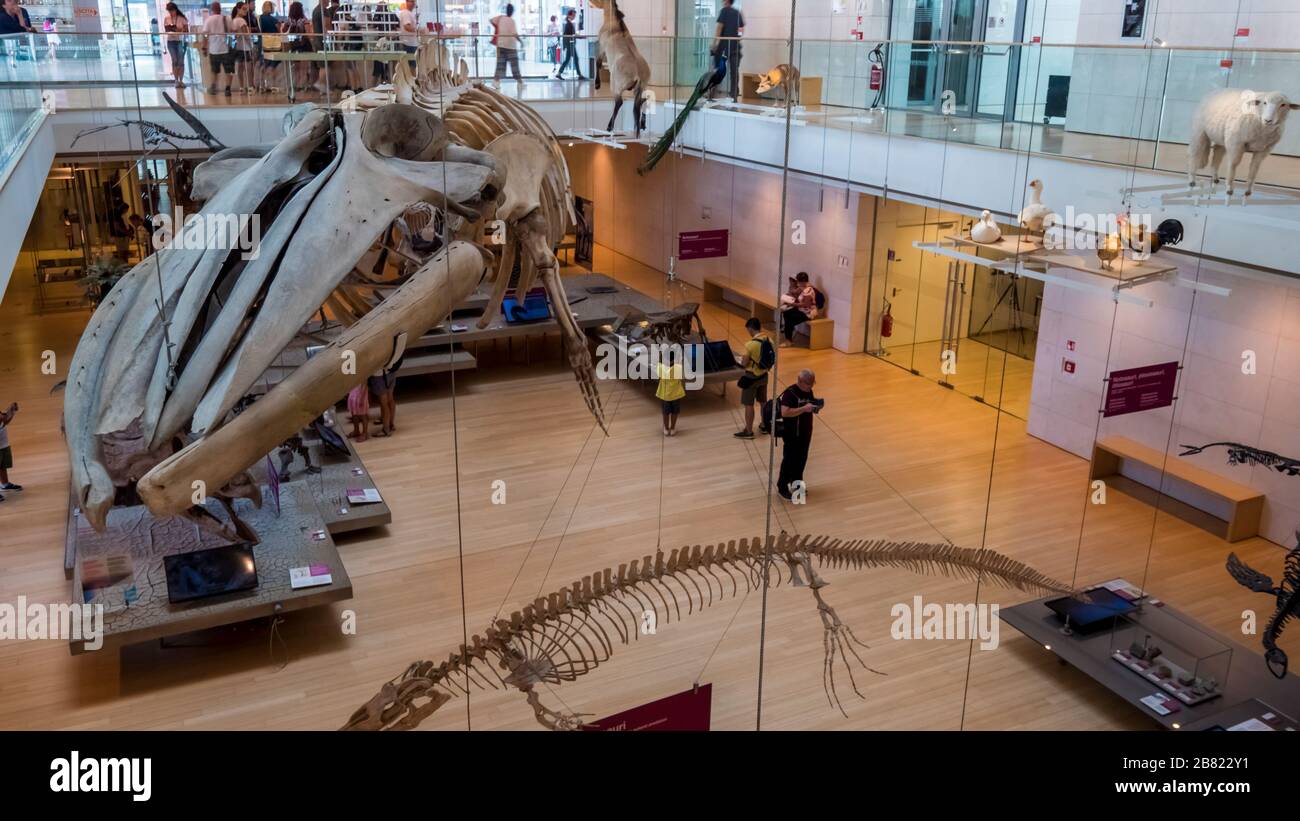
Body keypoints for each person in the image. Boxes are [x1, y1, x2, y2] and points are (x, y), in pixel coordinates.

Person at [776, 369, 818, 501]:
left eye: (812, 384)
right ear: (799, 380)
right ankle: (782, 487)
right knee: (789, 460)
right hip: (792, 434)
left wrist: (815, 406)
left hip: (806, 432)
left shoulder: (809, 391)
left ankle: (797, 485)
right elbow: (785, 412)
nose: (810, 387)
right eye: (807, 384)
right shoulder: (790, 393)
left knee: (801, 460)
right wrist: (804, 409)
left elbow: (809, 404)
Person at [734, 316, 774, 439]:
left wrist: (739, 360)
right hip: (764, 376)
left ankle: (749, 431)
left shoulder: (750, 345)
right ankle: (764, 425)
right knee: (763, 402)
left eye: (748, 330)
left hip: (751, 377)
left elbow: (744, 363)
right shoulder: (769, 340)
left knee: (748, 404)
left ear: (751, 329)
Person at [711, 0, 744, 100]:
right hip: (735, 46)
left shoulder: (724, 11)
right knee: (734, 72)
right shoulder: (738, 13)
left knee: (718, 70)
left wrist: (715, 43)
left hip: (723, 46)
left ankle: (711, 92)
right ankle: (733, 94)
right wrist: (737, 38)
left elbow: (719, 28)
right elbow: (741, 29)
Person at [201, 2, 235, 96]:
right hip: (225, 49)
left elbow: (205, 34)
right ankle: (227, 89)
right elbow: (232, 30)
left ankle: (213, 87)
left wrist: (204, 47)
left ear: (212, 9)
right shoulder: (226, 18)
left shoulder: (208, 20)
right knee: (229, 70)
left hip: (213, 50)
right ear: (220, 9)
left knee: (214, 70)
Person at [780, 270, 817, 347]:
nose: (797, 284)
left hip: (808, 313)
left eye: (798, 282)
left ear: (803, 281)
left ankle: (788, 340)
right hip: (801, 310)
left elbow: (805, 304)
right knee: (786, 312)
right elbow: (794, 292)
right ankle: (789, 333)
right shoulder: (802, 287)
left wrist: (793, 304)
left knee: (789, 321)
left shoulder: (808, 290)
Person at [655, 347, 685, 437]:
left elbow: (658, 369)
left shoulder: (661, 368)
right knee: (675, 412)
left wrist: (660, 357)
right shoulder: (678, 368)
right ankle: (673, 428)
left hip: (665, 395)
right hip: (676, 394)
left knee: (665, 412)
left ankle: (666, 428)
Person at [491, 3, 522, 86]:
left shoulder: (500, 18)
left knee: (500, 64)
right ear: (512, 12)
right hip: (511, 46)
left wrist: (497, 28)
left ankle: (496, 81)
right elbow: (515, 34)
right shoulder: (512, 21)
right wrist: (521, 41)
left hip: (501, 44)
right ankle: (520, 82)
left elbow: (492, 20)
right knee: (514, 65)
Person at [162, 3, 189, 87]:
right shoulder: (166, 18)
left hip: (180, 41)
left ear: (175, 10)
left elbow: (186, 31)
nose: (170, 13)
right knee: (174, 60)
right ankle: (176, 81)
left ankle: (181, 80)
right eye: (169, 11)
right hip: (170, 41)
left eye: (172, 11)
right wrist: (172, 29)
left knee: (181, 61)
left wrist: (179, 29)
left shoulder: (182, 18)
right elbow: (166, 30)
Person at [230, 1, 255, 94]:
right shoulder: (241, 20)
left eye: (246, 9)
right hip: (246, 47)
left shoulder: (234, 20)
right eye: (244, 9)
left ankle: (241, 87)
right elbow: (246, 35)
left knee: (240, 68)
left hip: (238, 47)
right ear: (238, 9)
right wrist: (251, 45)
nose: (245, 11)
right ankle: (250, 87)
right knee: (248, 68)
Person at [257, 1, 281, 93]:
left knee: (263, 63)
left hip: (262, 42)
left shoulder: (258, 18)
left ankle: (262, 85)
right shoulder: (274, 20)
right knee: (272, 64)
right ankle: (272, 85)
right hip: (273, 42)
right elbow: (280, 31)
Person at [0, 402, 21, 502]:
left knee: (3, 465)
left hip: (3, 444)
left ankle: (5, 484)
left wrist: (12, 411)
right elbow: (2, 420)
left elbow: (4, 421)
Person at [554, 9, 582, 80]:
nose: (574, 16)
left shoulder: (569, 23)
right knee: (575, 58)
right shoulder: (568, 24)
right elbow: (568, 35)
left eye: (574, 15)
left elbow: (570, 34)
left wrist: (578, 36)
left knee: (567, 59)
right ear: (569, 15)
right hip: (570, 44)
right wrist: (579, 36)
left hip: (570, 44)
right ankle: (579, 75)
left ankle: (559, 73)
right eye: (573, 15)